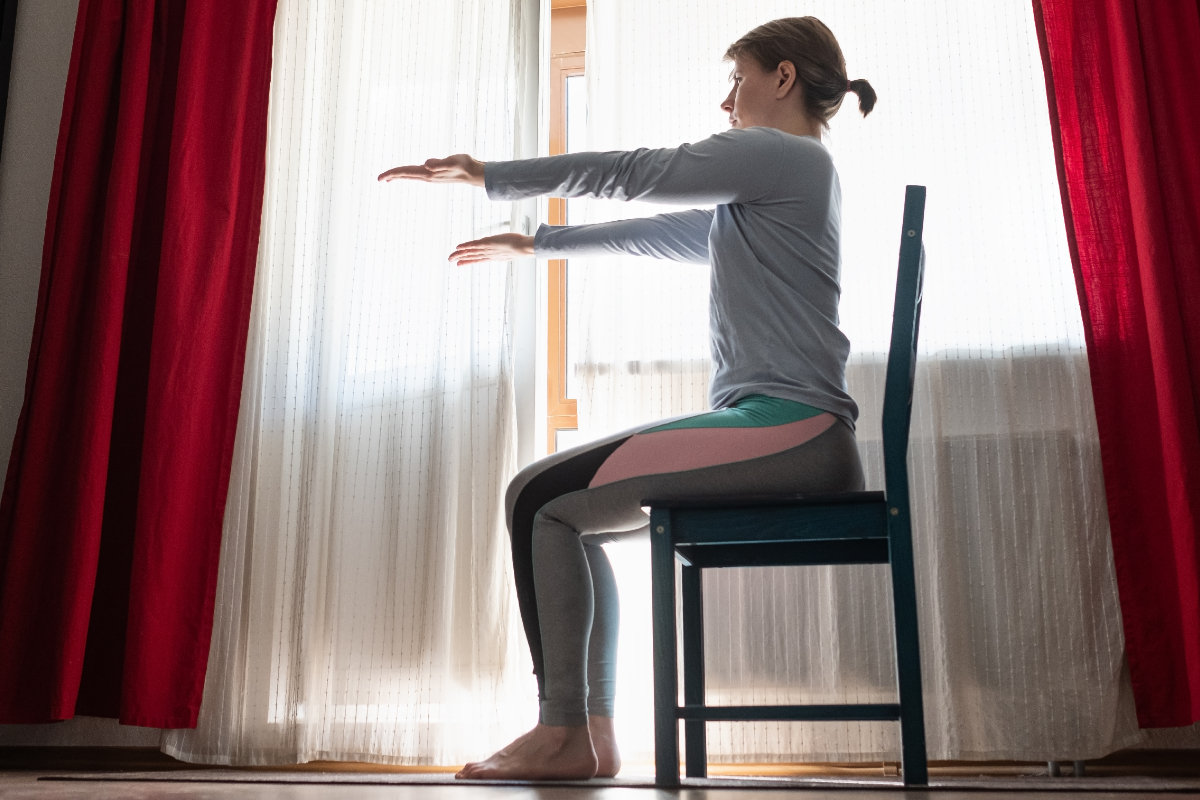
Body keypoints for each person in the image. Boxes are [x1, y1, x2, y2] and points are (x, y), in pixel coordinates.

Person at [378, 16, 877, 782]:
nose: (727, 103)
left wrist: (488, 174)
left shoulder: (783, 156)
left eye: (737, 79)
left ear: (782, 77)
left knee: (538, 500)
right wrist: (537, 244)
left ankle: (561, 730)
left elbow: (636, 172)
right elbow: (655, 233)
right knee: (563, 514)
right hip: (789, 430)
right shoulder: (782, 190)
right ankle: (590, 734)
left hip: (795, 430)